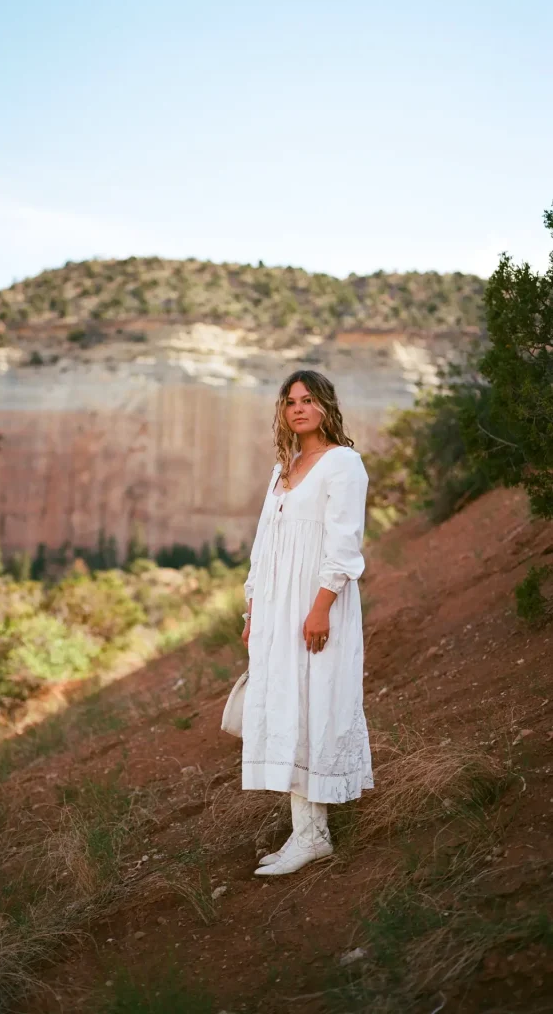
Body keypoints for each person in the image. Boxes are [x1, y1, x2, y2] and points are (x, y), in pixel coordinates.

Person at [240, 370, 373, 876]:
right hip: (276, 605)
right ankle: (305, 832)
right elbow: (264, 546)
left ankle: (314, 835)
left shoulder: (343, 463)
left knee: (314, 703)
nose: (298, 408)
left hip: (315, 602)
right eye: (290, 401)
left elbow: (344, 543)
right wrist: (254, 609)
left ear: (325, 407)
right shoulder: (285, 467)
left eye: (308, 400)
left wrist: (320, 607)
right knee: (287, 706)